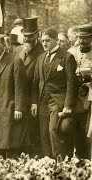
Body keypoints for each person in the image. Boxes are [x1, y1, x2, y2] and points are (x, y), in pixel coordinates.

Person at [31, 28, 78, 158]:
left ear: (56, 40)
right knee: (44, 133)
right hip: (42, 101)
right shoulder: (40, 58)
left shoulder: (66, 57)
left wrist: (67, 105)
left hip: (57, 101)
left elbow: (71, 83)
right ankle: (48, 163)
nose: (44, 43)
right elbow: (36, 82)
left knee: (54, 131)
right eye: (42, 41)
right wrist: (34, 102)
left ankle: (60, 163)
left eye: (47, 40)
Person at [15, 17, 44, 156]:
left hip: (35, 100)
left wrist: (34, 102)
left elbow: (38, 81)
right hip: (18, 100)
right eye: (25, 36)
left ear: (37, 35)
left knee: (34, 136)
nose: (27, 39)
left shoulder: (42, 52)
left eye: (30, 36)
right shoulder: (17, 51)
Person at [69, 24, 92, 159]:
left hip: (88, 97)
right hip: (74, 97)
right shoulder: (71, 52)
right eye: (80, 38)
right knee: (74, 128)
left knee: (87, 129)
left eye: (86, 38)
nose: (82, 41)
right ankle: (78, 156)